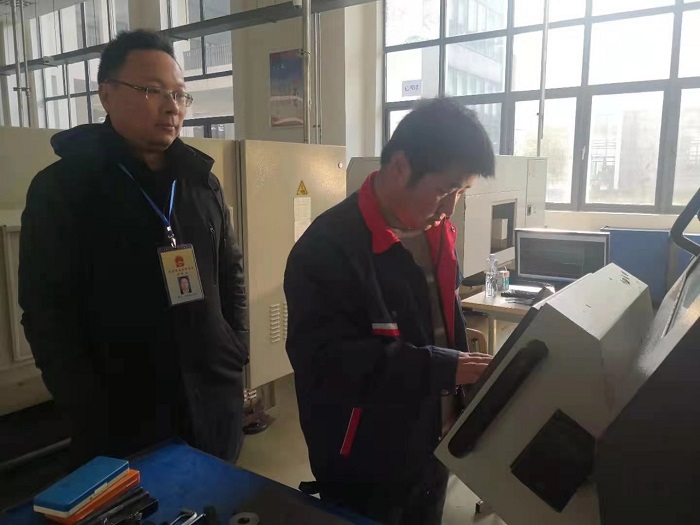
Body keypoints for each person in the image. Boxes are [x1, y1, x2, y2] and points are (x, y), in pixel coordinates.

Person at [19, 30, 248, 465]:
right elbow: (47, 312)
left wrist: (236, 349)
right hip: (124, 417)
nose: (172, 107)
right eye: (152, 91)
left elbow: (230, 273)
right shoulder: (63, 190)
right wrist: (87, 408)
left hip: (214, 401)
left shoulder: (202, 183)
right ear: (106, 95)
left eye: (179, 95)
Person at [284, 98, 495, 525]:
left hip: (433, 444)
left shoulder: (436, 234)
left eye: (461, 193)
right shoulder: (327, 249)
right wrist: (443, 368)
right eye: (444, 190)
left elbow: (441, 326)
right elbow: (326, 364)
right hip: (366, 463)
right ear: (400, 166)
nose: (449, 208)